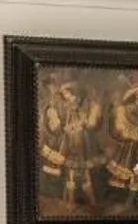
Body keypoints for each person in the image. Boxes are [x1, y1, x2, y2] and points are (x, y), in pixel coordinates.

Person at [37, 77, 101, 210]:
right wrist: (66, 128)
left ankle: (92, 202)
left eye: (68, 94)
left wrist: (80, 124)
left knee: (85, 172)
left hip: (82, 144)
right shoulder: (62, 108)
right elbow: (58, 127)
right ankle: (71, 202)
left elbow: (87, 122)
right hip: (69, 144)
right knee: (70, 173)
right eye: (65, 95)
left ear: (74, 94)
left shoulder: (80, 108)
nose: (67, 97)